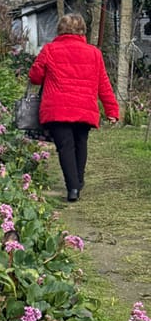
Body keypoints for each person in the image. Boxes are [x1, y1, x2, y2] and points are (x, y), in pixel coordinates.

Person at [28, 12, 119, 202]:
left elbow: (35, 77)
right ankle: (79, 181)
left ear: (60, 29)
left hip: (57, 108)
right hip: (84, 108)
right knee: (80, 144)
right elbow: (103, 84)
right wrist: (112, 111)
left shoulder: (49, 50)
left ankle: (73, 188)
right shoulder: (94, 53)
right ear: (82, 30)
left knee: (65, 147)